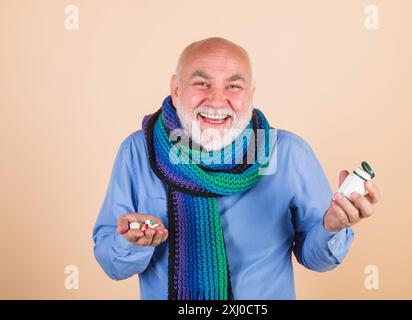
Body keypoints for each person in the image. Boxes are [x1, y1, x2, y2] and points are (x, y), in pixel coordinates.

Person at [93, 37, 380, 300]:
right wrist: (133, 244)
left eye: (233, 86)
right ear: (176, 89)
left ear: (251, 94)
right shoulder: (139, 152)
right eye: (201, 83)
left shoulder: (289, 154)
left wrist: (332, 228)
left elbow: (315, 259)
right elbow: (112, 264)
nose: (217, 101)